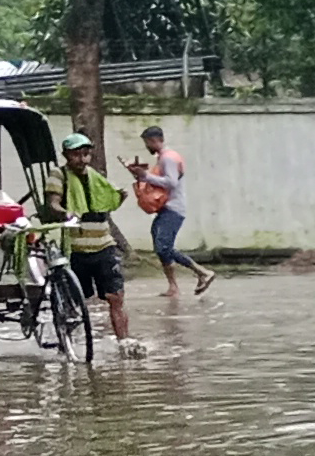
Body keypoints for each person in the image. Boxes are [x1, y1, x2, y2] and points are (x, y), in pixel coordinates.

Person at [50, 131, 136, 344]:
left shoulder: (94, 176)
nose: (82, 159)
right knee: (77, 300)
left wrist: (120, 196)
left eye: (86, 154)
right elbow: (52, 203)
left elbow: (106, 199)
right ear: (66, 155)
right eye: (77, 155)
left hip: (104, 245)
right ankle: (70, 341)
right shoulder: (58, 175)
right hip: (77, 249)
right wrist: (65, 213)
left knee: (116, 297)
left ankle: (124, 342)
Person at [131, 126, 217, 297]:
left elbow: (171, 182)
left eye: (147, 143)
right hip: (166, 209)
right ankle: (173, 286)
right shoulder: (164, 157)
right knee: (160, 245)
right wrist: (141, 175)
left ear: (154, 140)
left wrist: (145, 176)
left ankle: (202, 272)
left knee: (164, 247)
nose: (147, 147)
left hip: (173, 209)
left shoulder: (168, 158)